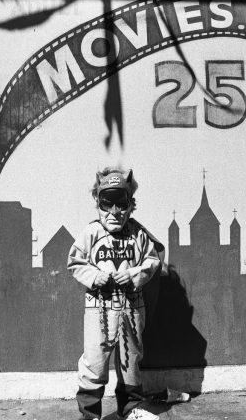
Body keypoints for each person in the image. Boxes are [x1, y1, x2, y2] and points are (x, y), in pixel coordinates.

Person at [68, 167, 163, 420]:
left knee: (131, 359)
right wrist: (95, 276)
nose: (114, 211)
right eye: (106, 203)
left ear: (131, 204)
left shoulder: (138, 234)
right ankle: (90, 414)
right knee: (94, 360)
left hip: (131, 307)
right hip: (99, 307)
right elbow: (75, 262)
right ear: (97, 203)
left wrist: (133, 275)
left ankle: (131, 410)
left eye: (120, 203)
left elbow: (152, 262)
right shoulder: (91, 233)